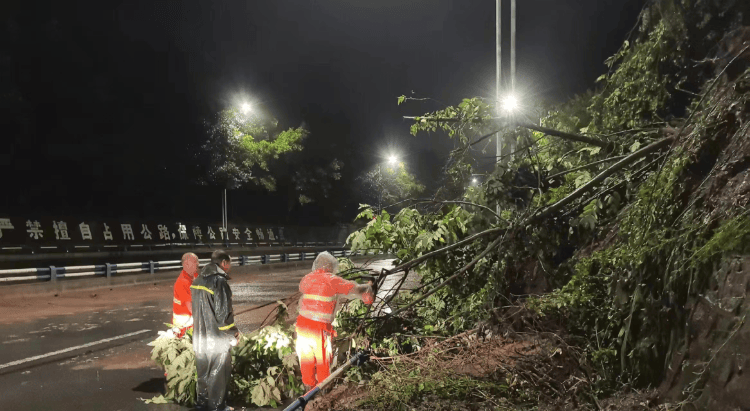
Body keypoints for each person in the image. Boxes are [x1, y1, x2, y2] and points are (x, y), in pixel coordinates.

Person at [295, 251, 375, 391]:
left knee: (306, 358)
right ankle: (323, 390)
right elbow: (354, 289)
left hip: (302, 326)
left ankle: (308, 392)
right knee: (323, 360)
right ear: (330, 267)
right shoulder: (332, 280)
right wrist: (368, 287)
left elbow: (304, 290)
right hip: (319, 329)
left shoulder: (306, 279)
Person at [191, 250, 239, 411]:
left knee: (203, 372)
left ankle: (202, 404)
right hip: (216, 338)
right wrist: (232, 334)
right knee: (218, 373)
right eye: (229, 263)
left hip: (199, 337)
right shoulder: (219, 282)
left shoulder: (197, 280)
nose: (229, 267)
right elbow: (223, 314)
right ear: (224, 263)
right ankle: (218, 406)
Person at [172, 252, 199, 337]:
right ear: (186, 264)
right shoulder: (182, 282)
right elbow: (190, 306)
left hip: (189, 315)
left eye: (197, 261)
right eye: (195, 262)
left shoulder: (193, 275)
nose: (198, 264)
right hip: (184, 321)